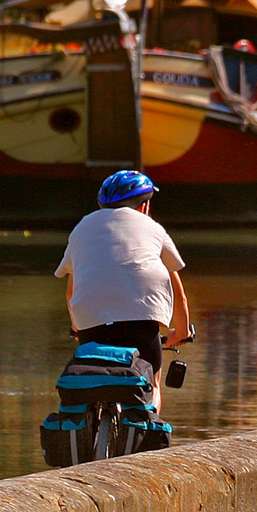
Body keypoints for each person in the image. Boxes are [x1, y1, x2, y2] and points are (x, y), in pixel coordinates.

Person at [55, 171, 192, 406]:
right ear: (144, 206)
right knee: (152, 383)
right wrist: (181, 331)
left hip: (91, 320)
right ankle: (147, 435)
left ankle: (94, 428)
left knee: (94, 380)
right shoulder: (152, 227)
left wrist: (78, 327)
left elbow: (71, 289)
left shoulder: (83, 227)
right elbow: (176, 286)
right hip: (142, 318)